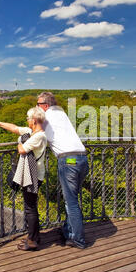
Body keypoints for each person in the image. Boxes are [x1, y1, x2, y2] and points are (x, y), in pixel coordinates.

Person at [0, 107, 47, 251]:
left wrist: (20, 141)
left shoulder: (39, 136)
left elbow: (22, 150)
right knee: (31, 207)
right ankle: (34, 236)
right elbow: (14, 128)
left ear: (34, 120)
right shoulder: (31, 132)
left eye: (28, 118)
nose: (27, 120)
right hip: (32, 174)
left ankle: (32, 240)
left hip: (33, 176)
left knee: (30, 208)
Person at [37, 92, 89, 249]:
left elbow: (38, 135)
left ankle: (78, 240)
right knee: (72, 199)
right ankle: (69, 232)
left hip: (68, 160)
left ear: (45, 106)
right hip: (82, 158)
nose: (36, 107)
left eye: (38, 105)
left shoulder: (46, 118)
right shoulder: (61, 114)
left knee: (71, 202)